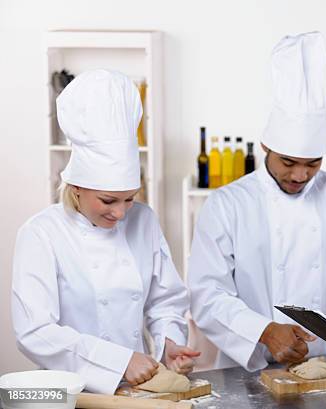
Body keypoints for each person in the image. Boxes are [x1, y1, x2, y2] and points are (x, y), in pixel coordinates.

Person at [188, 32, 326, 371]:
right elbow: (207, 292)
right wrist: (264, 331)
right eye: (288, 162)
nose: (299, 175)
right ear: (267, 146)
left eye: (312, 164)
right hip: (248, 366)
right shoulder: (227, 205)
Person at [11, 69, 200, 394]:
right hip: (75, 394)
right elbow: (35, 331)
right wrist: (119, 361)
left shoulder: (144, 220)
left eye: (130, 198)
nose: (121, 212)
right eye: (109, 200)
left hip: (141, 391)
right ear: (77, 187)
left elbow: (164, 300)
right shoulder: (41, 234)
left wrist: (169, 342)